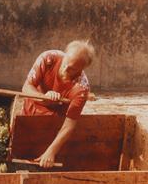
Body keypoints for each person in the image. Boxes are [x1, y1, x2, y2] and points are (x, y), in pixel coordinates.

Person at [22, 40, 95, 168]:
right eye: (66, 62)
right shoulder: (48, 58)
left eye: (72, 68)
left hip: (53, 123)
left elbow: (69, 124)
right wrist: (44, 98)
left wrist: (51, 151)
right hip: (30, 110)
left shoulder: (81, 88)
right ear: (65, 54)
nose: (65, 68)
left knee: (43, 158)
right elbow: (26, 88)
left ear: (81, 69)